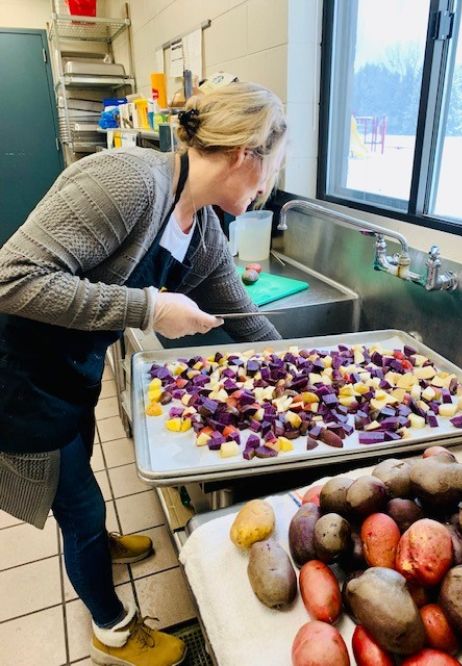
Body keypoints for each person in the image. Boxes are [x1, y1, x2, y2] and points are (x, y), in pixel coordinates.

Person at [0, 82, 287, 665]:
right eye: (272, 170)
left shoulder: (203, 230)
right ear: (245, 154)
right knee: (76, 507)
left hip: (70, 371)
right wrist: (150, 309)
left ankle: (95, 542)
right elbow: (13, 278)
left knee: (79, 472)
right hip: (19, 377)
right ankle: (112, 630)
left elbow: (243, 317)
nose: (268, 188)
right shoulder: (130, 182)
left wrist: (303, 369)